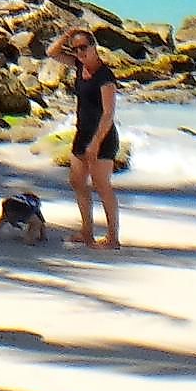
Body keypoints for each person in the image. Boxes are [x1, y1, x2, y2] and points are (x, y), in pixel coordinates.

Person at [50, 26, 122, 248]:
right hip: (82, 133)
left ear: (94, 47)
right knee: (78, 182)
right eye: (76, 48)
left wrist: (95, 144)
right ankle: (87, 232)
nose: (80, 52)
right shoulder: (79, 66)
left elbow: (108, 114)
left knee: (102, 185)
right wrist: (67, 34)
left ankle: (112, 238)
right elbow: (52, 53)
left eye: (84, 47)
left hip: (103, 136)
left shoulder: (105, 76)